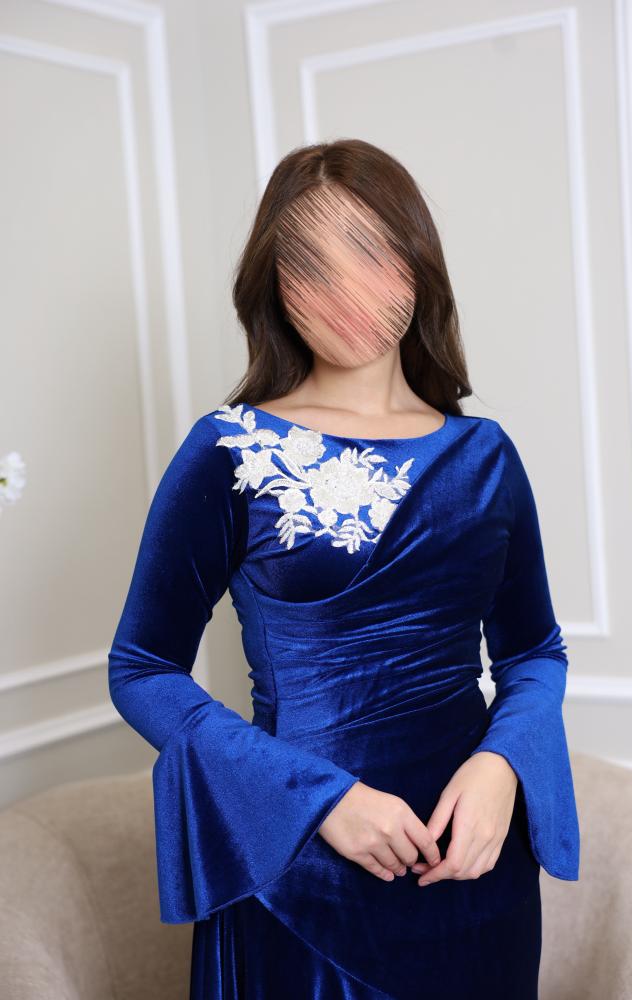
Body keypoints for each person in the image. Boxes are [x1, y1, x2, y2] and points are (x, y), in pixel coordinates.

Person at [108, 138, 580, 999]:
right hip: (301, 868)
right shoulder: (230, 450)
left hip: (476, 864)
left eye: (369, 252)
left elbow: (533, 651)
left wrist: (503, 765)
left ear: (417, 261)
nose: (347, 293)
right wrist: (319, 799)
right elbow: (140, 668)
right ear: (274, 289)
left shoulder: (485, 456)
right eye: (309, 267)